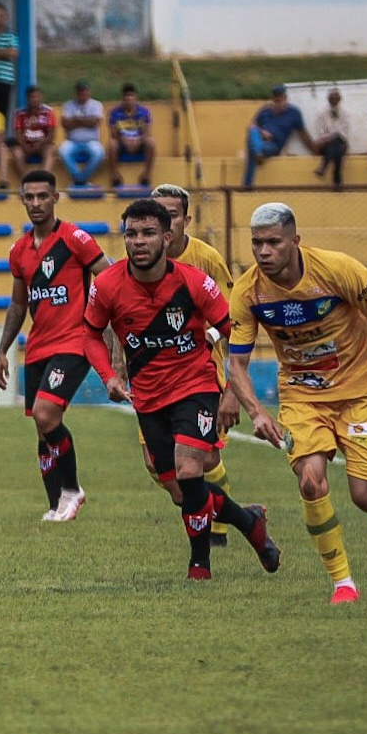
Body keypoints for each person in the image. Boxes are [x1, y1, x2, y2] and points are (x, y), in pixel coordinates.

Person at [227, 202, 367, 604]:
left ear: (295, 241)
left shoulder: (338, 270)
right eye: (256, 243)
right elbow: (236, 363)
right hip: (303, 396)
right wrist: (256, 410)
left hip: (357, 390)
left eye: (273, 242)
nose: (264, 251)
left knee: (365, 497)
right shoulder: (248, 291)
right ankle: (343, 583)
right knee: (310, 480)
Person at [83, 198, 281, 580]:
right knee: (180, 492)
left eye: (148, 233)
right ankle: (249, 521)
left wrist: (230, 392)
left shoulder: (194, 281)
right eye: (131, 234)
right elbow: (91, 334)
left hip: (195, 385)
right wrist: (108, 375)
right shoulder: (107, 285)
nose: (138, 241)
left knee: (190, 470)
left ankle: (199, 566)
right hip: (147, 395)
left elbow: (234, 333)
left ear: (168, 236)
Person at [0, 170, 113, 521]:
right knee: (41, 425)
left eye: (42, 196)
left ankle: (73, 490)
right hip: (38, 346)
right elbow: (18, 304)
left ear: (55, 198)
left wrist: (105, 331)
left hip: (75, 341)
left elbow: (109, 279)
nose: (35, 203)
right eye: (29, 197)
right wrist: (3, 350)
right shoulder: (19, 251)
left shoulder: (75, 238)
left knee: (47, 415)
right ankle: (55, 505)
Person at [151, 184, 239, 547]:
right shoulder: (140, 258)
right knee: (160, 468)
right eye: (157, 214)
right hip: (153, 377)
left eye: (171, 214)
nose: (164, 221)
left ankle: (215, 532)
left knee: (202, 458)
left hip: (200, 372)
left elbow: (234, 320)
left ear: (186, 219)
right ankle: (235, 512)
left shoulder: (206, 259)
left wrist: (231, 387)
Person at [243, 85, 313, 188]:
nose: (278, 100)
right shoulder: (265, 110)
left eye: (280, 98)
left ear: (285, 98)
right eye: (276, 98)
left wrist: (314, 149)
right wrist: (263, 133)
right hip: (260, 139)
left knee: (252, 148)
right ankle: (258, 154)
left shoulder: (294, 113)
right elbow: (252, 125)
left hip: (274, 144)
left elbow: (303, 133)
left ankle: (247, 184)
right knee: (253, 135)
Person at [106, 83, 155, 188]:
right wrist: (124, 141)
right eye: (127, 96)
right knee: (111, 144)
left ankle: (146, 175)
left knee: (151, 142)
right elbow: (113, 132)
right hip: (122, 143)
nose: (129, 99)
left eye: (132, 96)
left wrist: (139, 140)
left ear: (136, 98)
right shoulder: (114, 113)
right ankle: (115, 176)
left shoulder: (144, 112)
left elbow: (147, 131)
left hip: (139, 142)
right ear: (123, 98)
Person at [6, 85, 57, 184]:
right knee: (16, 152)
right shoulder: (19, 113)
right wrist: (25, 146)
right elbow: (18, 134)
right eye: (32, 97)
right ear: (27, 99)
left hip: (43, 144)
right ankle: (28, 181)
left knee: (51, 150)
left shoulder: (48, 112)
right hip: (25, 145)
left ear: (41, 97)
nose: (34, 100)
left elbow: (51, 135)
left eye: (37, 97)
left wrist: (40, 144)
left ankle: (43, 180)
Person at [58, 80, 105, 187]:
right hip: (71, 141)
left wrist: (75, 120)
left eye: (84, 90)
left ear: (89, 92)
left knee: (99, 153)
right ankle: (81, 179)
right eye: (80, 91)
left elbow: (95, 123)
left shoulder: (96, 104)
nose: (82, 93)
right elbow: (65, 124)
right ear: (76, 92)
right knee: (63, 151)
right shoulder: (68, 105)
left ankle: (80, 180)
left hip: (92, 141)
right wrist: (86, 121)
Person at [311, 88, 351, 189]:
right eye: (331, 98)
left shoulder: (345, 114)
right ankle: (337, 179)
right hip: (325, 145)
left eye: (336, 98)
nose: (334, 100)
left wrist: (331, 136)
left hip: (339, 143)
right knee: (336, 147)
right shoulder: (321, 113)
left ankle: (323, 167)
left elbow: (343, 133)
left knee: (337, 142)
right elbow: (321, 133)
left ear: (340, 99)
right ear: (328, 99)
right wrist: (330, 137)